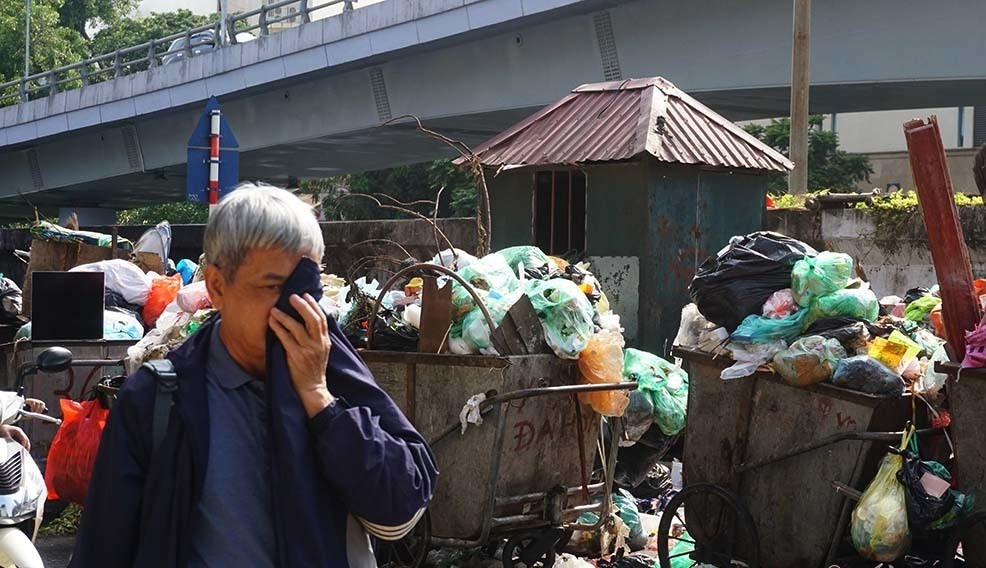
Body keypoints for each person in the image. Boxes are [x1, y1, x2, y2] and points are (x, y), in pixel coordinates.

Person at [70, 183, 438, 568]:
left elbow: (400, 505)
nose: (296, 308)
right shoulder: (157, 399)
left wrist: (320, 400)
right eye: (274, 286)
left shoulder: (331, 367)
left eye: (306, 288)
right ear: (217, 286)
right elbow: (103, 547)